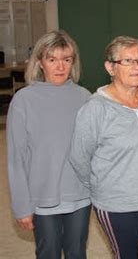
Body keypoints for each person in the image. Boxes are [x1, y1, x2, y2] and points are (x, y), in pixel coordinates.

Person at [69, 36, 138, 259]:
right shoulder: (95, 108)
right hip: (117, 205)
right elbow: (79, 158)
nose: (136, 66)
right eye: (127, 61)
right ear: (110, 67)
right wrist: (101, 187)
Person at [7, 30, 91, 259]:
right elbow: (16, 158)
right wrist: (21, 205)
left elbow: (94, 150)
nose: (60, 66)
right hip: (42, 197)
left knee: (77, 253)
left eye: (66, 59)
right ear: (40, 63)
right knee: (48, 253)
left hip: (80, 196)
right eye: (52, 59)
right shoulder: (24, 100)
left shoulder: (85, 97)